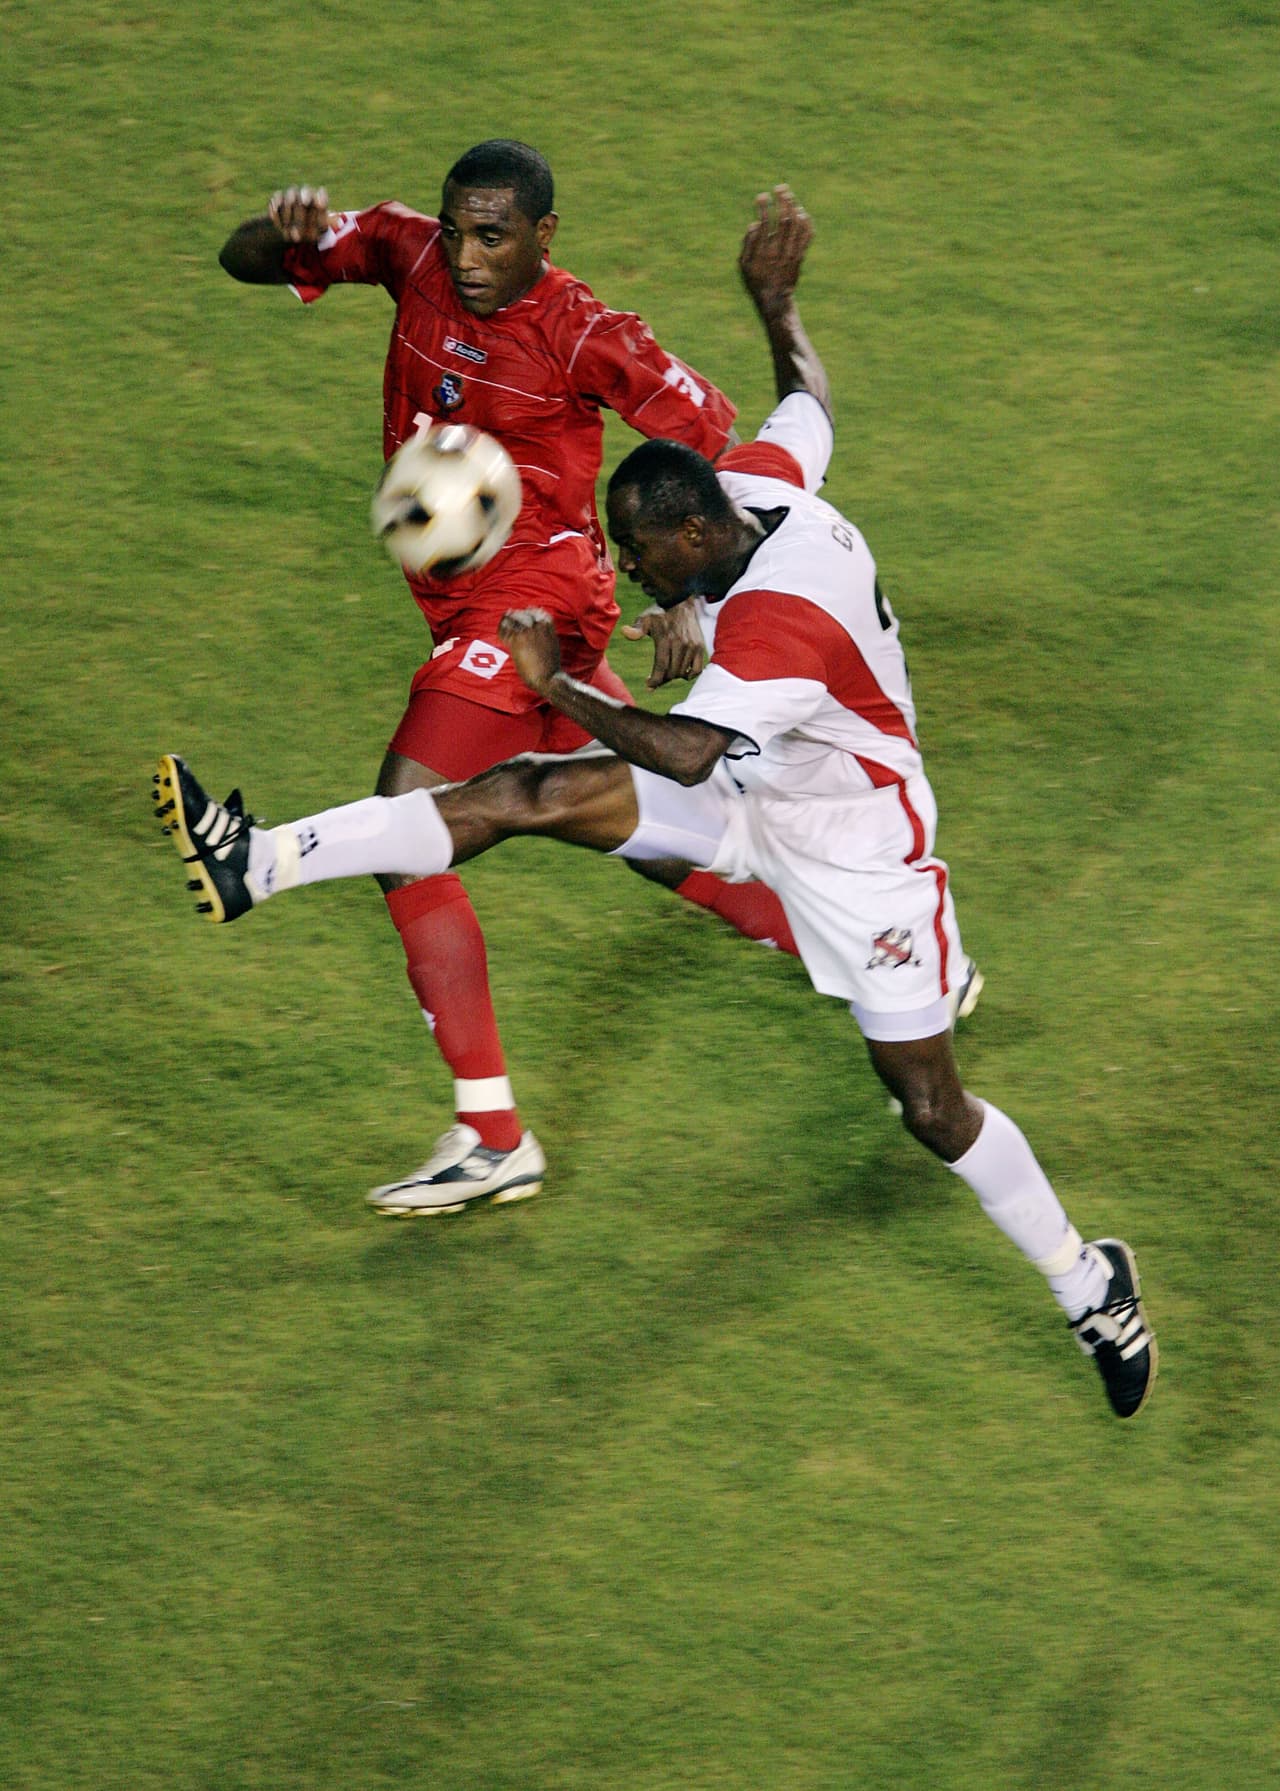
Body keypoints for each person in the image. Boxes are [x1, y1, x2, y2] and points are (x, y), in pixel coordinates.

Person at [158, 188, 1148, 1417]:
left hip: (854, 854)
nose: (625, 571)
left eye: (639, 556)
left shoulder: (779, 623)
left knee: (929, 1109)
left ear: (691, 535)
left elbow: (680, 752)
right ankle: (259, 860)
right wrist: (774, 304)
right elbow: (808, 403)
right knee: (518, 793)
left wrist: (559, 679)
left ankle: (1083, 1277)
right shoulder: (761, 487)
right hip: (751, 790)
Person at [218, 139, 826, 1210]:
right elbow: (244, 261)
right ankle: (865, 933)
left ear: (545, 237)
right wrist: (288, 236)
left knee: (412, 809)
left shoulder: (586, 333)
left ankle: (490, 1132)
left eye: (492, 236)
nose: (465, 256)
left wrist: (695, 595)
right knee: (643, 818)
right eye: (457, 230)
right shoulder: (409, 253)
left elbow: (715, 442)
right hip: (464, 600)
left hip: (535, 602)